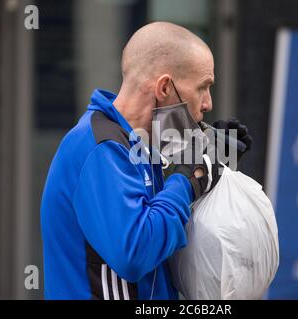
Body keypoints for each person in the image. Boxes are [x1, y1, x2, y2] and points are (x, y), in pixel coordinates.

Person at [40, 21, 252, 300]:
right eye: (203, 87)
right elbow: (136, 253)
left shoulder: (138, 144)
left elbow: (164, 241)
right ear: (164, 88)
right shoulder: (100, 148)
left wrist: (213, 161)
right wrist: (190, 179)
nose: (208, 103)